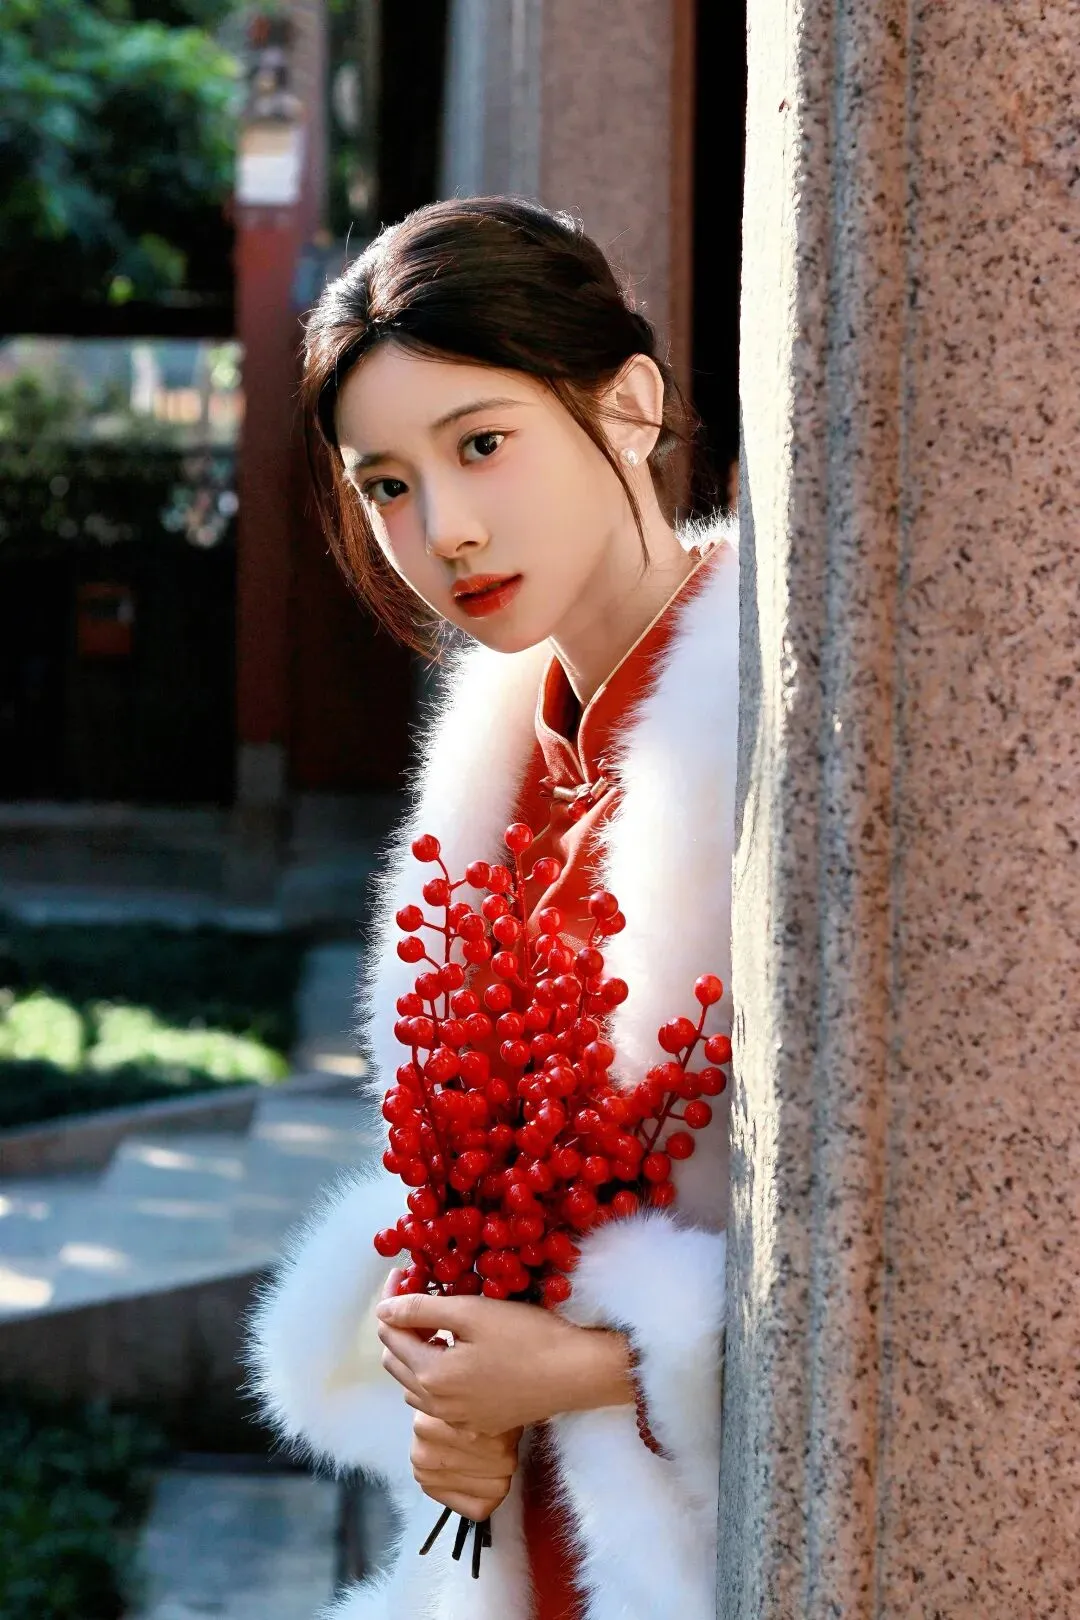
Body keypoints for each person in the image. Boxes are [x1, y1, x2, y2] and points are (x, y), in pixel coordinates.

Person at [248, 196, 737, 1620]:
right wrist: (454, 1397)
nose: (443, 530)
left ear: (628, 408)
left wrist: (585, 1368)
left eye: (480, 444)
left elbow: (914, 1243)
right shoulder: (497, 764)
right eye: (386, 484)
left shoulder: (774, 730)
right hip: (533, 1539)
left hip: (707, 1548)